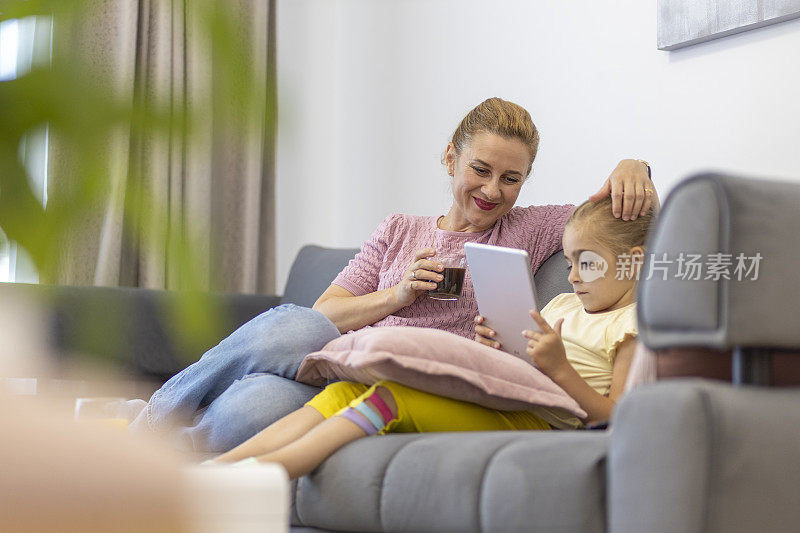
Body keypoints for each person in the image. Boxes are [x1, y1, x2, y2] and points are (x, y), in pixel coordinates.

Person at [129, 97, 658, 452]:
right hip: (334, 358)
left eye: (511, 178)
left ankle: (147, 469)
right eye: (480, 169)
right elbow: (320, 318)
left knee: (249, 413)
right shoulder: (399, 229)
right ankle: (141, 429)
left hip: (379, 386)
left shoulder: (531, 227)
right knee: (294, 328)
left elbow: (610, 224)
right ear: (451, 159)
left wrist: (637, 165)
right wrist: (396, 294)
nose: (493, 190)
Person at [209, 196, 654, 478]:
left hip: (542, 425)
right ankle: (218, 469)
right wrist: (496, 348)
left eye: (587, 264)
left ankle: (258, 477)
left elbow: (616, 415)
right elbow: (524, 368)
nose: (573, 276)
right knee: (345, 389)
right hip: (509, 398)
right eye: (571, 262)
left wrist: (557, 367)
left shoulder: (630, 326)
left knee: (388, 400)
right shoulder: (562, 306)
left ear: (633, 262)